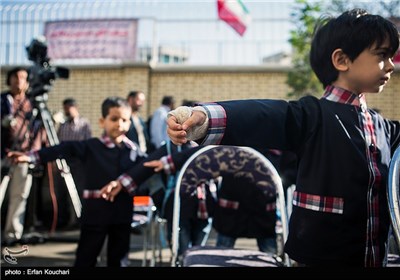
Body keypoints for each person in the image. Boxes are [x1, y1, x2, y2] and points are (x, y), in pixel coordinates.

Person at [166, 9, 400, 267]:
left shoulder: (384, 128)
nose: (391, 65)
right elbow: (262, 115)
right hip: (320, 259)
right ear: (342, 60)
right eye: (382, 55)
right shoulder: (312, 116)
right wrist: (202, 117)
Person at [7, 97, 146, 267]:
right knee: (86, 257)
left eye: (125, 120)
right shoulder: (91, 147)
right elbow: (62, 149)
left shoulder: (135, 152)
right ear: (102, 121)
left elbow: (147, 170)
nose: (119, 124)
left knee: (119, 259)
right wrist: (30, 156)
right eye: (114, 119)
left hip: (122, 214)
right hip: (95, 214)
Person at [101, 141, 213, 257]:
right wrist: (121, 183)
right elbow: (145, 167)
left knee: (199, 252)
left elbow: (204, 155)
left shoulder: (206, 144)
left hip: (204, 207)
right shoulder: (170, 148)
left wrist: (169, 162)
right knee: (182, 253)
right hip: (179, 209)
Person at [1, 67, 46, 246]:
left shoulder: (31, 104)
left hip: (23, 156)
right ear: (9, 79)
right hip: (3, 153)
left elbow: (38, 130)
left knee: (19, 196)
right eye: (16, 77)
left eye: (23, 78)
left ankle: (12, 234)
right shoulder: (3, 100)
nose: (19, 81)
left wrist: (33, 154)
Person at [55, 98, 92, 229]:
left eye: (68, 107)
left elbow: (87, 144)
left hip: (78, 163)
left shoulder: (84, 124)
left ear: (74, 107)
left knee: (77, 191)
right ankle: (62, 220)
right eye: (64, 108)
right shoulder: (63, 124)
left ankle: (78, 220)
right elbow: (57, 142)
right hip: (64, 162)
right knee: (62, 192)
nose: (66, 111)